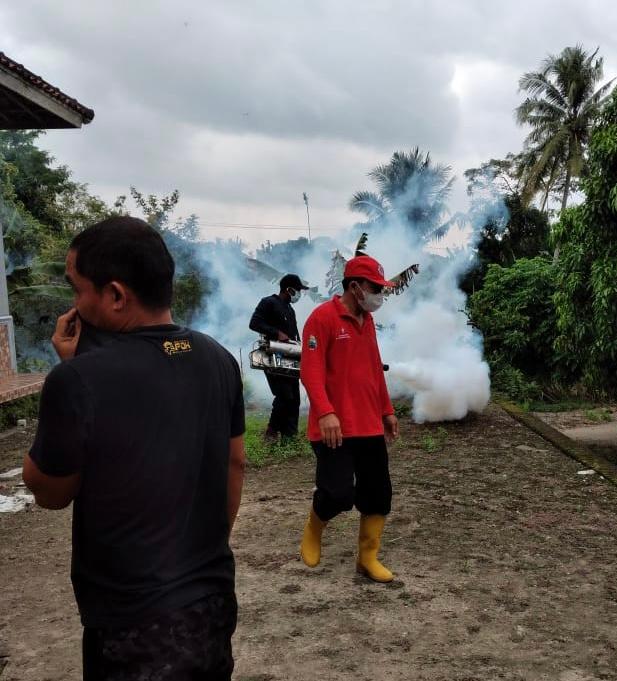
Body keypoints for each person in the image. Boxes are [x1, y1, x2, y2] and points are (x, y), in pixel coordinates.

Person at [22, 216, 246, 681]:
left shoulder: (77, 382)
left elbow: (50, 492)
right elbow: (234, 462)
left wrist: (70, 376)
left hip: (132, 620)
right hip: (212, 601)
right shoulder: (218, 359)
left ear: (117, 295)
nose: (74, 304)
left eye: (77, 288)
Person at [299, 255, 399, 583]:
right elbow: (310, 370)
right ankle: (315, 526)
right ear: (355, 287)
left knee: (378, 493)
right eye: (375, 289)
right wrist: (326, 412)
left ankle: (367, 559)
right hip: (334, 428)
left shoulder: (367, 322)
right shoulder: (322, 318)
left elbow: (374, 369)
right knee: (339, 493)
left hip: (369, 423)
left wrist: (387, 411)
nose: (379, 296)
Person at [249, 273, 309, 440]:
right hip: (272, 354)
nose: (299, 294)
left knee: (294, 398)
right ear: (289, 289)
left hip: (290, 356)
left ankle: (290, 436)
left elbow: (294, 335)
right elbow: (254, 323)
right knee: (284, 395)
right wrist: (276, 333)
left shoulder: (290, 309)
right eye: (298, 290)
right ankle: (272, 431)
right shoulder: (268, 302)